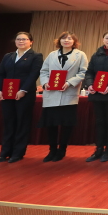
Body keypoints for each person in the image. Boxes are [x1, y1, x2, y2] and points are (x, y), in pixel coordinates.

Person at [0, 32, 43, 163]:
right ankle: (4, 153)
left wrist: (23, 90)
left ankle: (17, 153)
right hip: (7, 93)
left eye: (24, 39)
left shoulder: (36, 56)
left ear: (31, 42)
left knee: (22, 123)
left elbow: (33, 75)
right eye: (18, 39)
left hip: (25, 94)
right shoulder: (8, 56)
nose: (21, 41)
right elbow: (1, 74)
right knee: (8, 122)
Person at [38, 31, 88, 162]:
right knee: (51, 124)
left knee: (66, 124)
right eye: (64, 38)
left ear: (74, 41)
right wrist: (45, 83)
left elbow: (83, 72)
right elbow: (44, 71)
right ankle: (52, 150)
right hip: (51, 93)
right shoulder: (52, 55)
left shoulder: (80, 55)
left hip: (68, 94)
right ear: (59, 41)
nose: (66, 40)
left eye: (69, 38)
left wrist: (69, 83)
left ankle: (62, 150)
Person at [84, 30, 108, 162]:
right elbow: (89, 72)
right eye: (107, 38)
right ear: (103, 40)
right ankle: (98, 149)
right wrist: (89, 84)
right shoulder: (97, 55)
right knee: (99, 122)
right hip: (96, 93)